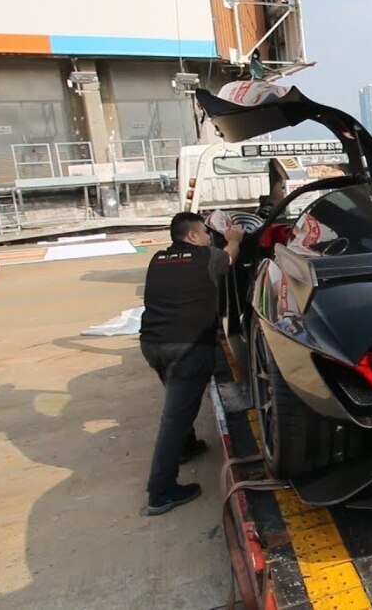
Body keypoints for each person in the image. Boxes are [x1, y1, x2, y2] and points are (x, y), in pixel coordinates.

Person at [139, 212, 244, 515]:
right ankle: (160, 492)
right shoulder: (206, 257)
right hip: (188, 348)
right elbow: (230, 256)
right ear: (192, 236)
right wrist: (235, 239)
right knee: (175, 418)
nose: (210, 238)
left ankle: (187, 447)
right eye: (206, 233)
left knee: (177, 400)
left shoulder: (157, 259)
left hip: (152, 345)